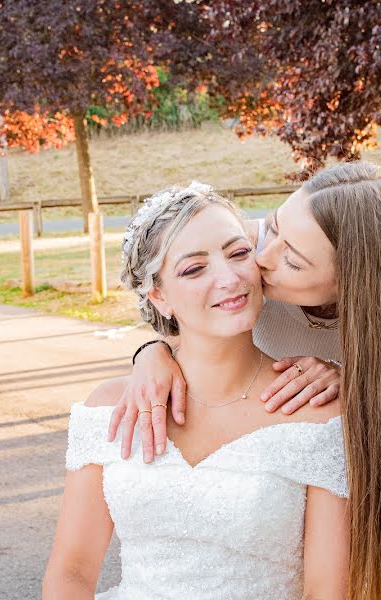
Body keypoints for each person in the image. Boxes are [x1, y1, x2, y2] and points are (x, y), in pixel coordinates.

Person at [105, 162, 381, 599]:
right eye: (271, 228)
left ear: (349, 283)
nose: (259, 260)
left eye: (292, 259)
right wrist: (152, 352)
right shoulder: (250, 254)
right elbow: (181, 294)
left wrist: (351, 378)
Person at [43, 182, 350, 599]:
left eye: (239, 253)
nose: (229, 278)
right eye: (194, 269)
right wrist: (150, 351)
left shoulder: (317, 416)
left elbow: (326, 592)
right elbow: (73, 572)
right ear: (158, 296)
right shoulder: (107, 409)